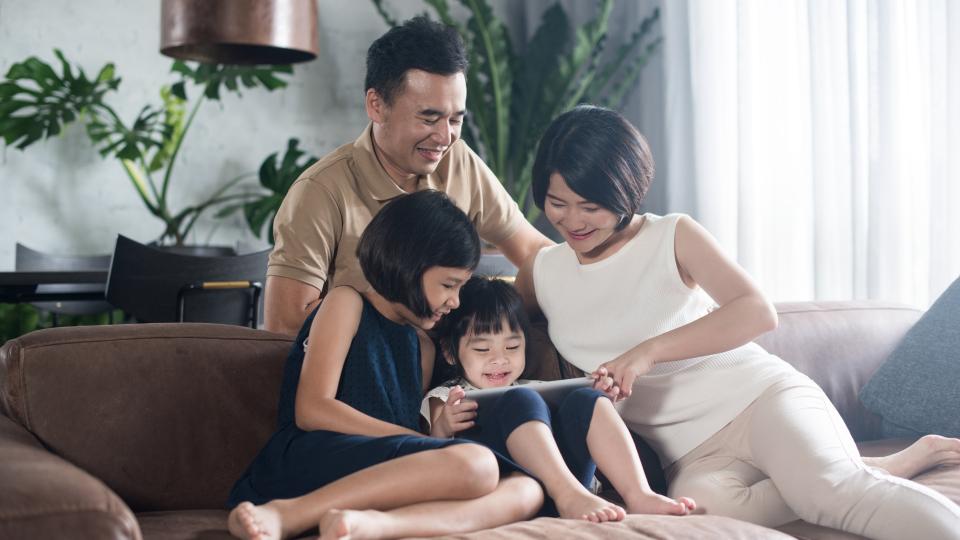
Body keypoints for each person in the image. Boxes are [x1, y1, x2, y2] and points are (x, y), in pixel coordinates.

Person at [515, 105, 960, 539]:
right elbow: (493, 333)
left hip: (758, 400)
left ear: (625, 193)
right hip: (689, 456)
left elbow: (755, 311)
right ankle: (856, 468)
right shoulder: (542, 272)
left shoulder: (672, 235)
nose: (571, 221)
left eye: (590, 207)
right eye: (557, 203)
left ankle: (834, 475)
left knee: (833, 492)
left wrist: (647, 353)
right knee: (697, 515)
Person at [228, 191, 543, 540]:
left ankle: (373, 526)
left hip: (378, 465)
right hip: (314, 454)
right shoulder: (346, 303)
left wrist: (432, 438)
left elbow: (405, 436)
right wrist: (417, 441)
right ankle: (286, 514)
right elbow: (311, 409)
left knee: (527, 487)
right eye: (448, 285)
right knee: (479, 464)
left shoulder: (422, 344)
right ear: (407, 268)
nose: (455, 301)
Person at [264, 16, 552, 336]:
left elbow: (533, 252)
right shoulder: (319, 191)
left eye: (456, 119)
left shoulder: (457, 161)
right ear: (376, 105)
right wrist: (400, 309)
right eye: (429, 118)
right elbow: (285, 322)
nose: (445, 137)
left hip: (451, 371)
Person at [423, 276, 696, 522]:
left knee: (585, 399)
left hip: (574, 482)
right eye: (482, 348)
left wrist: (600, 399)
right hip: (507, 485)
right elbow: (429, 450)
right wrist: (444, 426)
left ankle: (639, 494)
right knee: (520, 400)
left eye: (512, 346)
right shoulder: (447, 396)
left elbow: (577, 426)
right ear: (449, 352)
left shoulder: (538, 388)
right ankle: (567, 495)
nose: (499, 359)